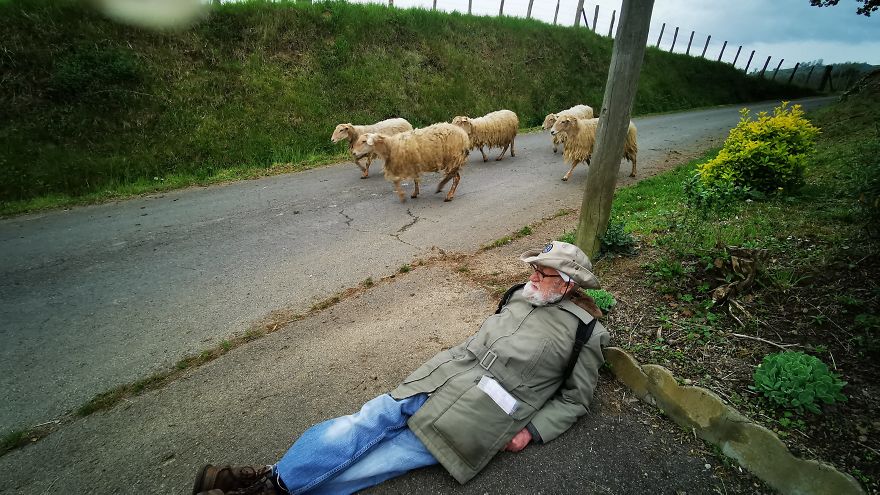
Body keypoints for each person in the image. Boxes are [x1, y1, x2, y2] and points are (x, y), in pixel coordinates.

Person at [192, 241, 610, 495]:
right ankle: (267, 480)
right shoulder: (520, 294)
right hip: (441, 376)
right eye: (534, 267)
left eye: (544, 271)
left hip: (478, 415)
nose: (533, 275)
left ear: (568, 283)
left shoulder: (585, 334)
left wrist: (530, 432)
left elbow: (576, 400)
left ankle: (259, 484)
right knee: (359, 424)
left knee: (376, 464)